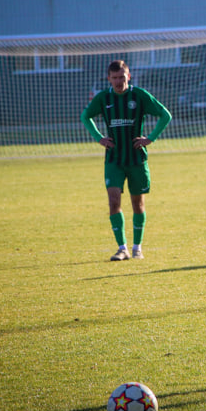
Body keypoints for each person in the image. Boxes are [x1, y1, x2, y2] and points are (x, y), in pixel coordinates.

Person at [81, 60, 172, 261]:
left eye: (122, 77)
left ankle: (137, 247)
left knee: (137, 204)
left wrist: (150, 138)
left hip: (136, 158)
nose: (118, 81)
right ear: (109, 79)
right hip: (113, 159)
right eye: (114, 78)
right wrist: (99, 137)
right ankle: (122, 248)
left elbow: (165, 115)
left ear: (128, 76)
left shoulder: (138, 96)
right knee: (114, 201)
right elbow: (85, 116)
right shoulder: (103, 98)